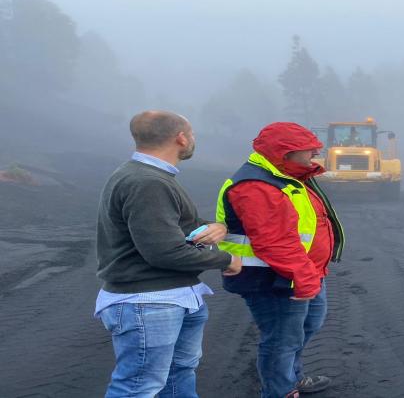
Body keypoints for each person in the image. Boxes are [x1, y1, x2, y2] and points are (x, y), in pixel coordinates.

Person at [95, 110, 242, 397]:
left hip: (172, 298)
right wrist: (226, 259)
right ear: (181, 138)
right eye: (193, 134)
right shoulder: (147, 182)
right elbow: (164, 252)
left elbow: (172, 227)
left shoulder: (148, 177)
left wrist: (214, 227)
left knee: (177, 375)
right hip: (149, 303)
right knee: (138, 386)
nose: (192, 139)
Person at [217, 122, 345, 398]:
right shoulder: (256, 186)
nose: (315, 154)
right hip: (272, 279)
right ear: (284, 153)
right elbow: (275, 241)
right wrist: (304, 279)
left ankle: (290, 378)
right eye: (308, 150)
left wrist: (311, 273)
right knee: (281, 341)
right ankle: (280, 391)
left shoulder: (287, 175)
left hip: (300, 273)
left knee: (307, 326)